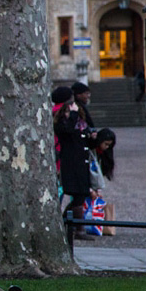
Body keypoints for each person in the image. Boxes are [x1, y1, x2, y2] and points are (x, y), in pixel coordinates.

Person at [53, 86, 95, 242]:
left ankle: (71, 224)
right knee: (73, 192)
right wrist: (73, 114)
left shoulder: (75, 115)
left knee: (80, 194)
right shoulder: (60, 117)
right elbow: (67, 131)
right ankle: (76, 227)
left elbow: (80, 134)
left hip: (79, 160)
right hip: (68, 161)